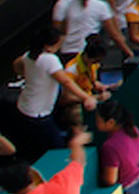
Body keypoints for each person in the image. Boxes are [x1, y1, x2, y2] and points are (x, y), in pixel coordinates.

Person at [12, 27, 88, 164]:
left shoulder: (30, 55)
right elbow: (65, 81)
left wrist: (26, 75)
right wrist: (86, 97)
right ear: (48, 45)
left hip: (24, 106)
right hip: (38, 113)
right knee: (56, 145)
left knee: (32, 144)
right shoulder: (50, 60)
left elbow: (17, 64)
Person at [0, 127, 93, 194]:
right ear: (32, 174)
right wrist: (76, 143)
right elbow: (79, 161)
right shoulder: (62, 185)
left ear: (7, 190)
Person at [51, 0, 130, 63]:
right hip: (85, 52)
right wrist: (129, 52)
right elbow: (114, 34)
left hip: (69, 51)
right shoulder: (98, 5)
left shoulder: (72, 4)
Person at [95, 101, 139, 194]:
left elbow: (110, 180)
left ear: (111, 122)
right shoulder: (134, 130)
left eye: (99, 120)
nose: (96, 123)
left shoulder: (110, 147)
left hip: (127, 192)